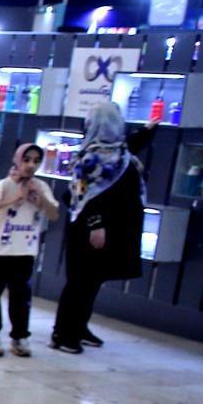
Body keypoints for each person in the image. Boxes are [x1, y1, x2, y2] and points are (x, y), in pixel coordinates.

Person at [52, 101, 153, 355]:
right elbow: (82, 196)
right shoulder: (90, 158)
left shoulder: (119, 152)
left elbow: (133, 144)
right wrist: (96, 224)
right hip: (90, 231)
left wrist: (149, 128)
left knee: (93, 281)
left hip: (112, 230)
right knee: (80, 282)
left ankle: (79, 327)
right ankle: (63, 333)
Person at [0, 142, 60, 358]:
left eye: (36, 161)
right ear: (18, 160)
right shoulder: (5, 185)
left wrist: (39, 197)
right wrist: (14, 199)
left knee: (21, 298)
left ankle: (20, 336)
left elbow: (53, 215)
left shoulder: (41, 186)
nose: (31, 165)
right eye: (26, 160)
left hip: (24, 252)